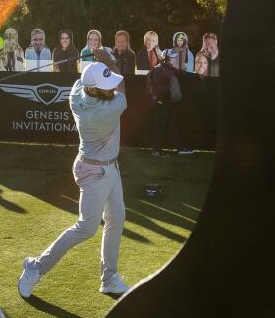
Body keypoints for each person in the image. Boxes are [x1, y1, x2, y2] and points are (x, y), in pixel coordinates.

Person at [19, 61, 130, 298]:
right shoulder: (107, 109)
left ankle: (109, 278)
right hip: (95, 173)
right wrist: (106, 58)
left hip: (109, 168)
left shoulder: (77, 93)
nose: (110, 88)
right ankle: (36, 267)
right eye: (105, 86)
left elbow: (85, 80)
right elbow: (122, 86)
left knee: (117, 216)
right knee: (86, 227)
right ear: (95, 90)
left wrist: (97, 65)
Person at [147, 59, 184, 157]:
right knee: (159, 126)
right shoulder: (158, 70)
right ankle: (156, 150)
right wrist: (170, 89)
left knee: (172, 125)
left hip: (166, 102)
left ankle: (180, 148)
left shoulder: (170, 69)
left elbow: (183, 73)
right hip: (160, 102)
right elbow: (157, 87)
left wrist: (198, 75)